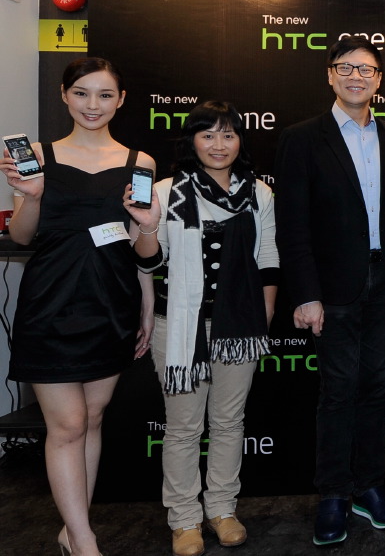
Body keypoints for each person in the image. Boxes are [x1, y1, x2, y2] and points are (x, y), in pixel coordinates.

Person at [2, 57, 158, 556]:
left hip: (112, 302)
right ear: (65, 95)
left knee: (91, 419)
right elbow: (22, 237)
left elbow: (139, 246)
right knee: (67, 425)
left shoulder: (140, 162)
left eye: (105, 94)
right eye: (82, 93)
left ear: (121, 100)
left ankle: (72, 530)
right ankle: (85, 542)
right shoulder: (38, 156)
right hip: (50, 302)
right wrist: (31, 196)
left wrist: (147, 302)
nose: (93, 105)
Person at [275, 37, 385, 547]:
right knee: (338, 390)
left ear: (379, 81)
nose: (357, 76)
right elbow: (292, 225)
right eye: (346, 68)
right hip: (331, 288)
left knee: (377, 387)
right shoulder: (302, 138)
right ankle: (332, 493)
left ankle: (369, 487)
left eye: (367, 69)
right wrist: (305, 294)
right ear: (330, 75)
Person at [129, 101, 278, 556]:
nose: (218, 144)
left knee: (230, 422)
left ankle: (222, 509)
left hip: (240, 327)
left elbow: (267, 259)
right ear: (191, 140)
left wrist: (263, 319)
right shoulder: (166, 191)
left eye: (228, 134)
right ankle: (184, 518)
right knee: (183, 428)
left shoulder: (258, 193)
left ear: (240, 141)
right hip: (179, 325)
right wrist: (147, 226)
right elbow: (148, 261)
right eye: (208, 134)